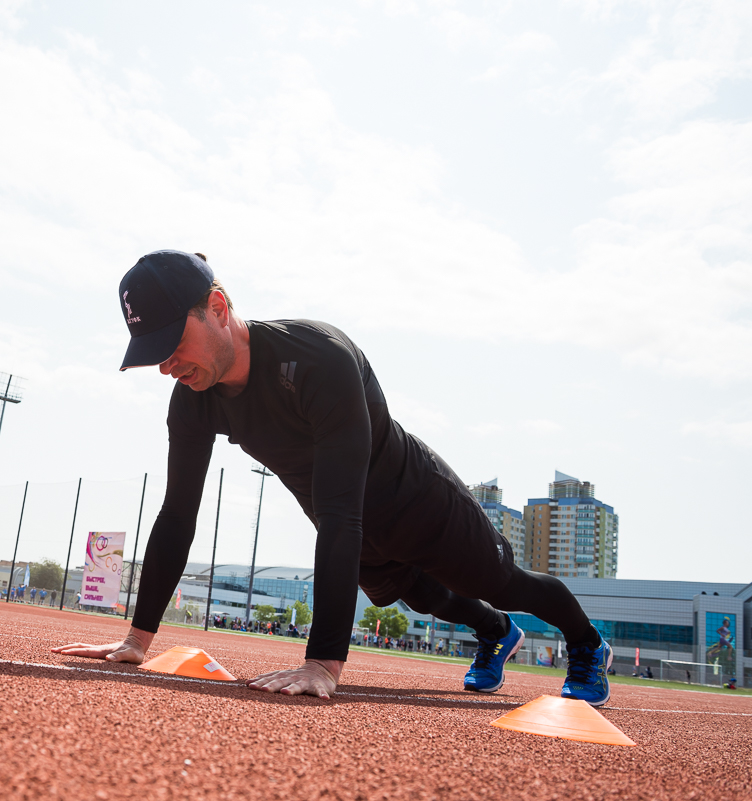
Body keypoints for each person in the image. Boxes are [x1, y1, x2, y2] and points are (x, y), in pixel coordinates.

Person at [55, 250, 614, 706]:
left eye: (172, 344)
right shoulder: (193, 399)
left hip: (415, 499)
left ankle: (588, 645)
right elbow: (178, 514)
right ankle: (495, 633)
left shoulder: (318, 359)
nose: (166, 365)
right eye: (152, 353)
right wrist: (136, 640)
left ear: (217, 308)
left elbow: (342, 513)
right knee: (421, 596)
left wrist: (323, 663)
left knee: (502, 583)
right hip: (346, 522)